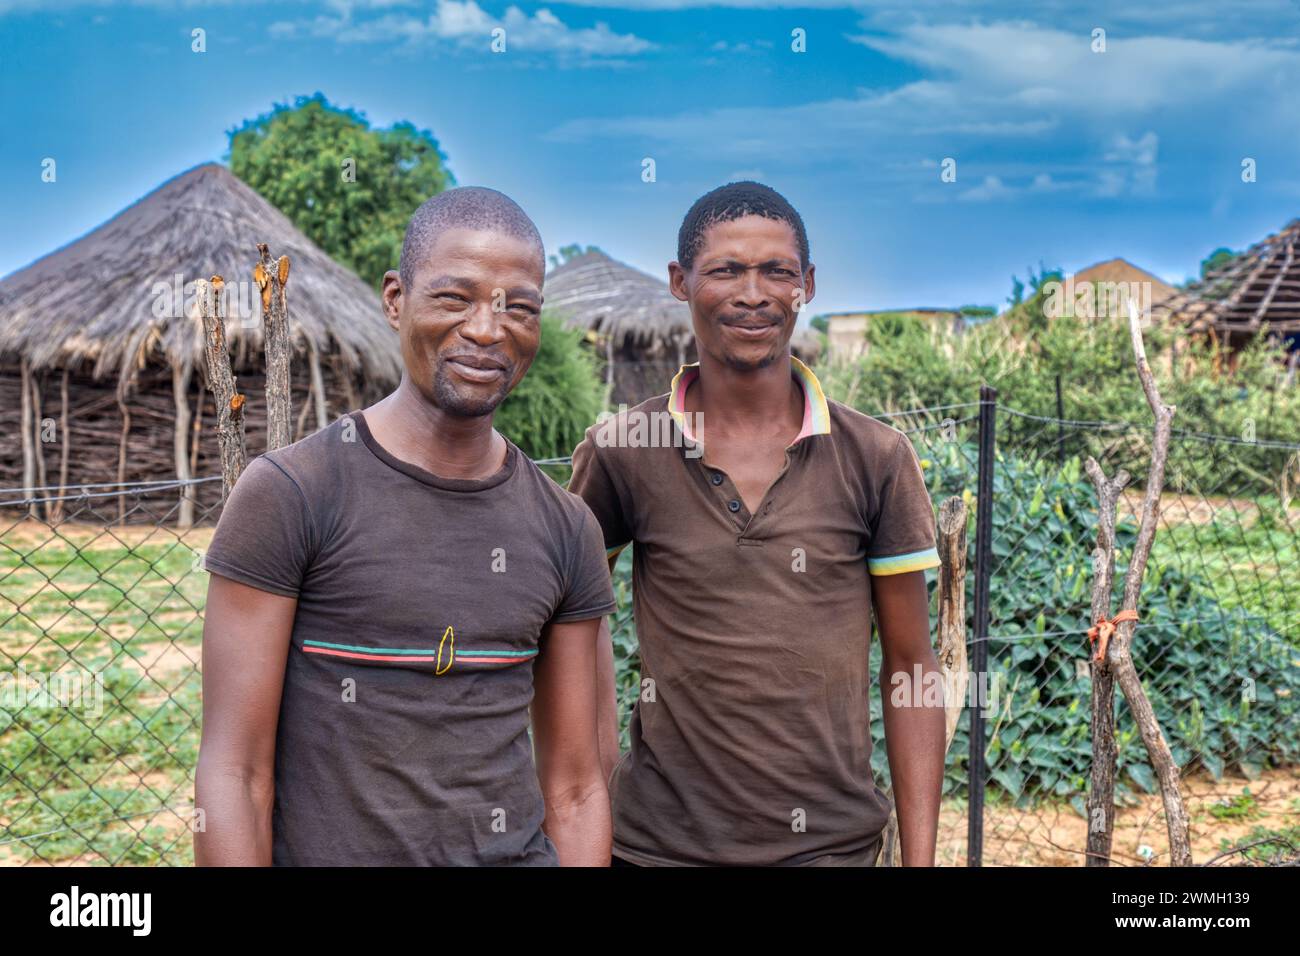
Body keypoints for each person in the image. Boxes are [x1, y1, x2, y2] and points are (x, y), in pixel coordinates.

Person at [195, 187, 615, 866]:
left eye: (519, 308)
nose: (487, 329)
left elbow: (577, 788)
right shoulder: (294, 495)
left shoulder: (567, 528)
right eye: (456, 298)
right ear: (396, 299)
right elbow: (234, 776)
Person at [570, 181, 946, 866]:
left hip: (833, 846)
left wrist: (919, 861)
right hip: (655, 848)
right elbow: (570, 630)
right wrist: (584, 816)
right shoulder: (624, 450)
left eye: (777, 271)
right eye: (725, 270)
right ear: (681, 283)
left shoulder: (875, 457)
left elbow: (911, 666)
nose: (753, 294)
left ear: (806, 285)